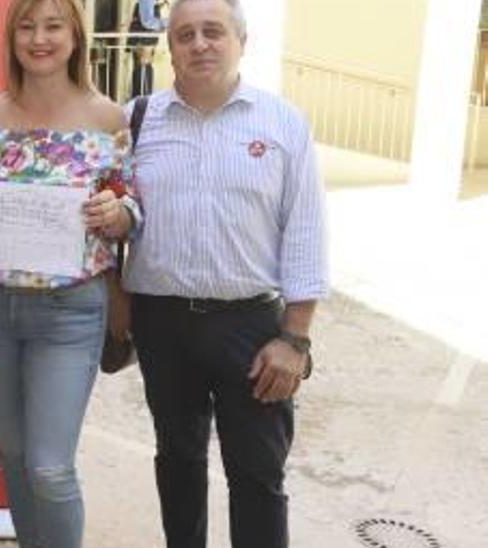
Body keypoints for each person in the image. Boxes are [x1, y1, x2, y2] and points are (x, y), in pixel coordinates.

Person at [124, 0, 328, 546]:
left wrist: (295, 339)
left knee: (258, 475)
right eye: (185, 35)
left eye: (213, 32)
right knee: (178, 462)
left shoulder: (282, 122)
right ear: (170, 48)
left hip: (252, 328)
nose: (199, 44)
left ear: (242, 40)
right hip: (162, 324)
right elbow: (110, 214)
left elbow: (304, 234)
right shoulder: (137, 121)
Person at [0, 0, 141, 546]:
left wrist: (117, 215)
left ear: (76, 36)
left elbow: (135, 210)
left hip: (72, 313)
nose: (40, 38)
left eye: (54, 25)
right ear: (11, 38)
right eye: (27, 27)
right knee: (13, 457)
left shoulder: (108, 118)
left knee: (50, 468)